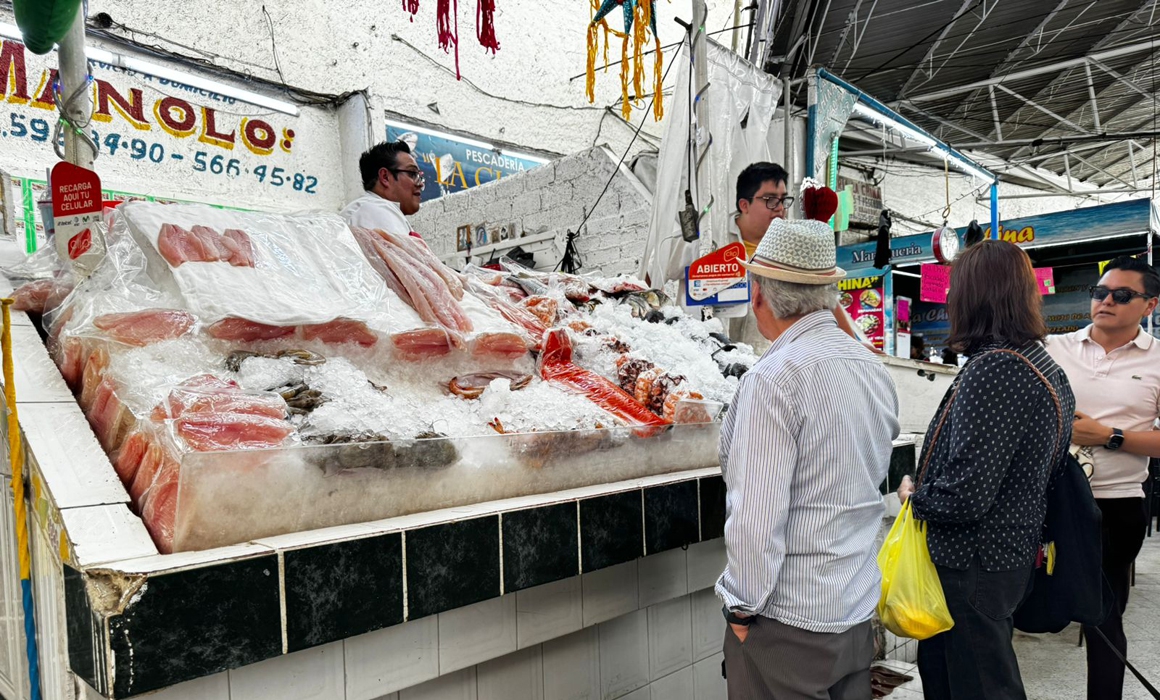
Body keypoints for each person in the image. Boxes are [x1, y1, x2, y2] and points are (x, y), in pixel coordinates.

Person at [717, 183, 900, 699]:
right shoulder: (871, 368)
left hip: (788, 623)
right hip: (854, 612)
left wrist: (741, 609)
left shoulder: (772, 380)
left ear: (759, 294)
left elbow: (756, 517)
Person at [898, 240, 1074, 700]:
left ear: (973, 295)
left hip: (971, 563)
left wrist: (916, 497)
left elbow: (966, 496)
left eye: (955, 289)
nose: (949, 299)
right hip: (1005, 557)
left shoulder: (995, 368)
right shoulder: (1042, 364)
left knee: (978, 684)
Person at [1043, 256, 1160, 700]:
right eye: (1100, 293)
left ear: (1150, 305)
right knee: (1013, 605)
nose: (1106, 301)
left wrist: (1110, 435)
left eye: (1122, 295)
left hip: (1115, 504)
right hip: (1044, 499)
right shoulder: (1053, 348)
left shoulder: (1157, 359)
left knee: (1104, 619)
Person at [341, 141, 425, 236]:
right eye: (412, 173)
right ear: (385, 177)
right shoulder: (374, 210)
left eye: (419, 176)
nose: (421, 184)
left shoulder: (375, 210)